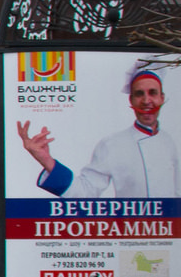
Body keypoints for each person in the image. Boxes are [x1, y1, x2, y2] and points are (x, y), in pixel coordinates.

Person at [18, 60, 181, 198]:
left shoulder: (173, 141)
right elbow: (85, 191)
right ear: (131, 100)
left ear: (162, 98)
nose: (146, 100)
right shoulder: (113, 144)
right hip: (131, 232)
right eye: (139, 94)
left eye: (152, 93)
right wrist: (47, 161)